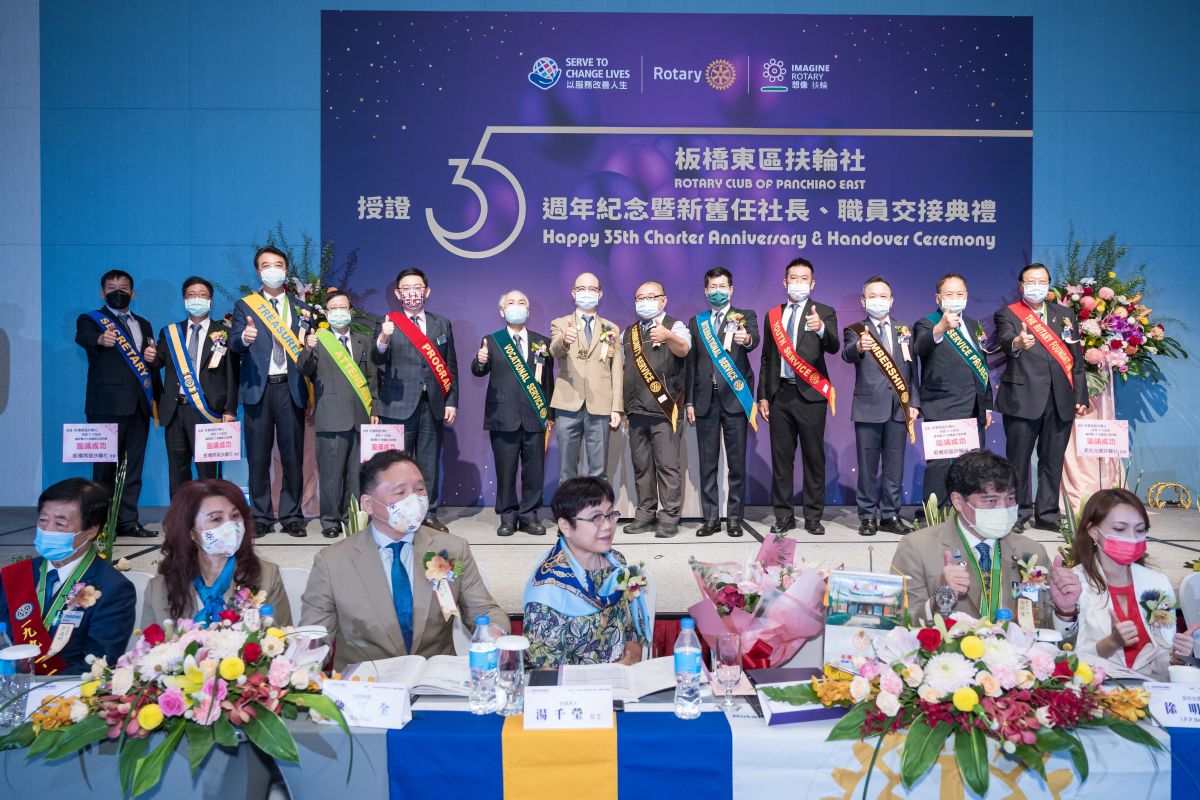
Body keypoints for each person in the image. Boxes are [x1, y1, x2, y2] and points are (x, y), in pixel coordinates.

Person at [300, 450, 506, 670]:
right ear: (368, 504)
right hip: (365, 684)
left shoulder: (452, 549)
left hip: (433, 681)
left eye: (419, 490)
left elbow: (485, 611)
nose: (414, 499)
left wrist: (494, 632)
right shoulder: (332, 562)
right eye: (400, 492)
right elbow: (314, 637)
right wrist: (302, 665)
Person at [893, 449, 1080, 623]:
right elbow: (900, 623)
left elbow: (1046, 631)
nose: (1004, 508)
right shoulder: (917, 548)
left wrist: (1064, 611)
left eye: (1010, 498)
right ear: (958, 501)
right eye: (991, 500)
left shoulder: (1031, 552)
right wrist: (940, 600)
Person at [0, 479, 136, 675]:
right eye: (43, 520)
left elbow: (97, 664)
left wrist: (40, 688)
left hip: (67, 690)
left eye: (60, 523)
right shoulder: (16, 575)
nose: (47, 530)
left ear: (91, 530)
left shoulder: (113, 588)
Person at [1063, 488, 1197, 681]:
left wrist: (1178, 656)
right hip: (1095, 688)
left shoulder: (1157, 583)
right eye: (1120, 529)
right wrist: (1111, 643)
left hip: (1151, 691)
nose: (1132, 538)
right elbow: (1065, 656)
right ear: (1093, 531)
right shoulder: (1074, 584)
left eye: (1140, 530)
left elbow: (1161, 659)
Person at [994, 263, 1088, 532]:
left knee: (1052, 460)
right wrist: (1017, 343)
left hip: (1060, 399)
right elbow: (1006, 340)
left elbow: (1076, 358)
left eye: (1042, 281)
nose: (1037, 286)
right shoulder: (1007, 314)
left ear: (1049, 284)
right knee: (1017, 461)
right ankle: (1017, 513)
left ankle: (1047, 514)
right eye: (1031, 281)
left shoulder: (1065, 314)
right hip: (1023, 398)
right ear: (1021, 285)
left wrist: (1080, 394)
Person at [523, 477, 651, 668]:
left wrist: (628, 662)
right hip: (570, 685)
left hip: (621, 678)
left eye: (610, 515)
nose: (607, 526)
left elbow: (632, 630)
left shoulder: (616, 564)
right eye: (596, 518)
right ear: (566, 526)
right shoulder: (548, 591)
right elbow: (545, 673)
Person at [229, 246, 312, 538]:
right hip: (258, 390)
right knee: (258, 457)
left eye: (278, 264)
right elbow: (233, 343)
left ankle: (292, 515)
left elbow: (307, 353)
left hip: (291, 389)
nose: (273, 269)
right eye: (266, 265)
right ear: (258, 271)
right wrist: (244, 337)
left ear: (286, 270)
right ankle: (261, 516)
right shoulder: (245, 306)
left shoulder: (301, 307)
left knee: (292, 457)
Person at [74, 269, 161, 538]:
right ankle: (100, 524)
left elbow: (148, 364)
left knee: (133, 468)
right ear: (102, 293)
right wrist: (100, 339)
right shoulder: (91, 320)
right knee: (104, 470)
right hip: (106, 406)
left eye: (123, 287)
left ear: (132, 293)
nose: (118, 292)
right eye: (111, 288)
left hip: (139, 405)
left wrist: (153, 360)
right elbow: (83, 337)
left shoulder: (143, 324)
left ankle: (127, 521)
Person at [372, 268, 458, 532]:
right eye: (406, 289)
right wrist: (384, 338)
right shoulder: (387, 322)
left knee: (429, 463)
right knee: (395, 464)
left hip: (433, 403)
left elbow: (450, 365)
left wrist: (451, 401)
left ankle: (428, 514)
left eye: (417, 287)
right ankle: (394, 512)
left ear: (427, 291)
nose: (412, 293)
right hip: (397, 405)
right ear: (398, 294)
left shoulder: (441, 323)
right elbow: (377, 359)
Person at [758, 257, 839, 536]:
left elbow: (834, 346)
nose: (798, 283)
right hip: (780, 394)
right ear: (785, 282)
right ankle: (784, 516)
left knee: (813, 457)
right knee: (782, 459)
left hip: (811, 395)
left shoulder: (824, 312)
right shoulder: (773, 316)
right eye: (794, 278)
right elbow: (767, 359)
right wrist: (763, 396)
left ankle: (813, 516)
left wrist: (821, 329)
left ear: (812, 284)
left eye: (804, 279)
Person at [142, 479, 292, 627]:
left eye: (235, 516)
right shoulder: (160, 589)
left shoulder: (266, 576)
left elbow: (282, 637)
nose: (230, 526)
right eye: (216, 519)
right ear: (191, 532)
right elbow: (149, 642)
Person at [470, 290, 555, 537]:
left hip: (535, 415)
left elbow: (548, 381)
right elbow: (478, 371)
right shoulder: (492, 341)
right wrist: (480, 360)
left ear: (528, 310)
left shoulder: (542, 342)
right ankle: (507, 516)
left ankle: (529, 516)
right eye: (511, 302)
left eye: (521, 302)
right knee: (505, 471)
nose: (516, 306)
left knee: (534, 471)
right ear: (502, 311)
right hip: (502, 416)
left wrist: (550, 415)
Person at [841, 276, 921, 536]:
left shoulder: (904, 329)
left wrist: (914, 402)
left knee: (894, 467)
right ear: (863, 301)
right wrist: (858, 347)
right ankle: (867, 516)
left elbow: (912, 371)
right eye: (872, 296)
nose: (878, 300)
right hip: (868, 408)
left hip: (899, 408)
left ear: (892, 300)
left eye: (883, 296)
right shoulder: (855, 329)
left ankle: (890, 515)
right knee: (867, 468)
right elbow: (847, 354)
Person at [301, 291, 380, 539]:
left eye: (342, 307)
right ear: (326, 313)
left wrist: (375, 408)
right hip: (331, 416)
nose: (338, 312)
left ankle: (352, 517)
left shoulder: (363, 341)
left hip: (360, 415)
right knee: (331, 475)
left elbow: (372, 378)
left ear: (350, 311)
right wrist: (307, 349)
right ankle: (330, 521)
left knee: (356, 474)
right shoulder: (318, 340)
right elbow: (304, 369)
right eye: (333, 308)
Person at [686, 267, 758, 537]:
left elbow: (753, 340)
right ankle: (711, 518)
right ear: (706, 292)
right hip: (705, 400)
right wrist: (689, 401)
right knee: (708, 464)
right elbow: (691, 365)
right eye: (713, 287)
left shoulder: (745, 316)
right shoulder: (697, 322)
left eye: (723, 286)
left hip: (735, 399)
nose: (718, 291)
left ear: (731, 289)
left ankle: (734, 519)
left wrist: (746, 338)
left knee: (737, 464)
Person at [151, 276, 239, 497]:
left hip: (209, 411)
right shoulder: (170, 332)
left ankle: (210, 514)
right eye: (192, 295)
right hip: (175, 410)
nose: (196, 299)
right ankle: (181, 514)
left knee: (209, 473)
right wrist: (150, 356)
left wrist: (230, 409)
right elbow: (157, 363)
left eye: (202, 295)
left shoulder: (224, 331)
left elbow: (232, 374)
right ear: (184, 300)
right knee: (177, 471)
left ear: (211, 300)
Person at [912, 273, 994, 508]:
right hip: (942, 405)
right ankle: (933, 518)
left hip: (973, 406)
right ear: (938, 298)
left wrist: (987, 405)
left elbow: (982, 366)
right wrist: (940, 328)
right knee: (939, 467)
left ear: (966, 296)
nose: (955, 298)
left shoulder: (973, 325)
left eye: (960, 294)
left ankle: (968, 515)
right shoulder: (926, 323)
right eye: (949, 294)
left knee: (973, 467)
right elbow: (920, 347)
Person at [622, 280, 692, 539]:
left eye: (651, 297)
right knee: (642, 466)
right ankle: (645, 513)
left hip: (665, 409)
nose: (645, 302)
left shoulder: (676, 326)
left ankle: (669, 517)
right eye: (640, 297)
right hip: (636, 410)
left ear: (663, 300)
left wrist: (668, 336)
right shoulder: (628, 332)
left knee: (667, 466)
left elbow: (684, 350)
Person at [549, 272, 624, 482]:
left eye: (592, 289)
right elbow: (554, 351)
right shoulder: (560, 323)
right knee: (567, 470)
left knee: (599, 471)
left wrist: (616, 407)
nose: (586, 293)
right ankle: (568, 504)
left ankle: (598, 504)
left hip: (600, 404)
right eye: (581, 289)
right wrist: (565, 340)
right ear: (573, 293)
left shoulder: (611, 328)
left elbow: (616, 370)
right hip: (568, 403)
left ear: (600, 294)